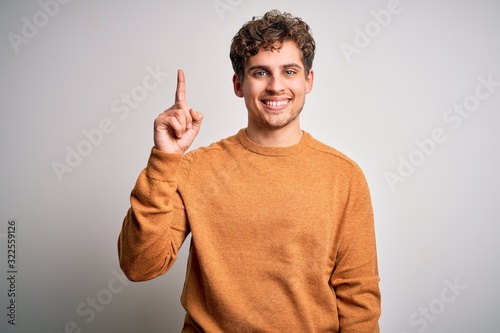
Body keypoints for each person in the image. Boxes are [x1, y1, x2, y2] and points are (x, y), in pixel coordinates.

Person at [118, 9, 381, 332]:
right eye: (260, 73)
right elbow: (139, 265)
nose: (275, 86)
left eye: (289, 71)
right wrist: (164, 158)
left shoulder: (344, 176)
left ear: (308, 81)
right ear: (238, 84)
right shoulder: (194, 168)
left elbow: (359, 298)